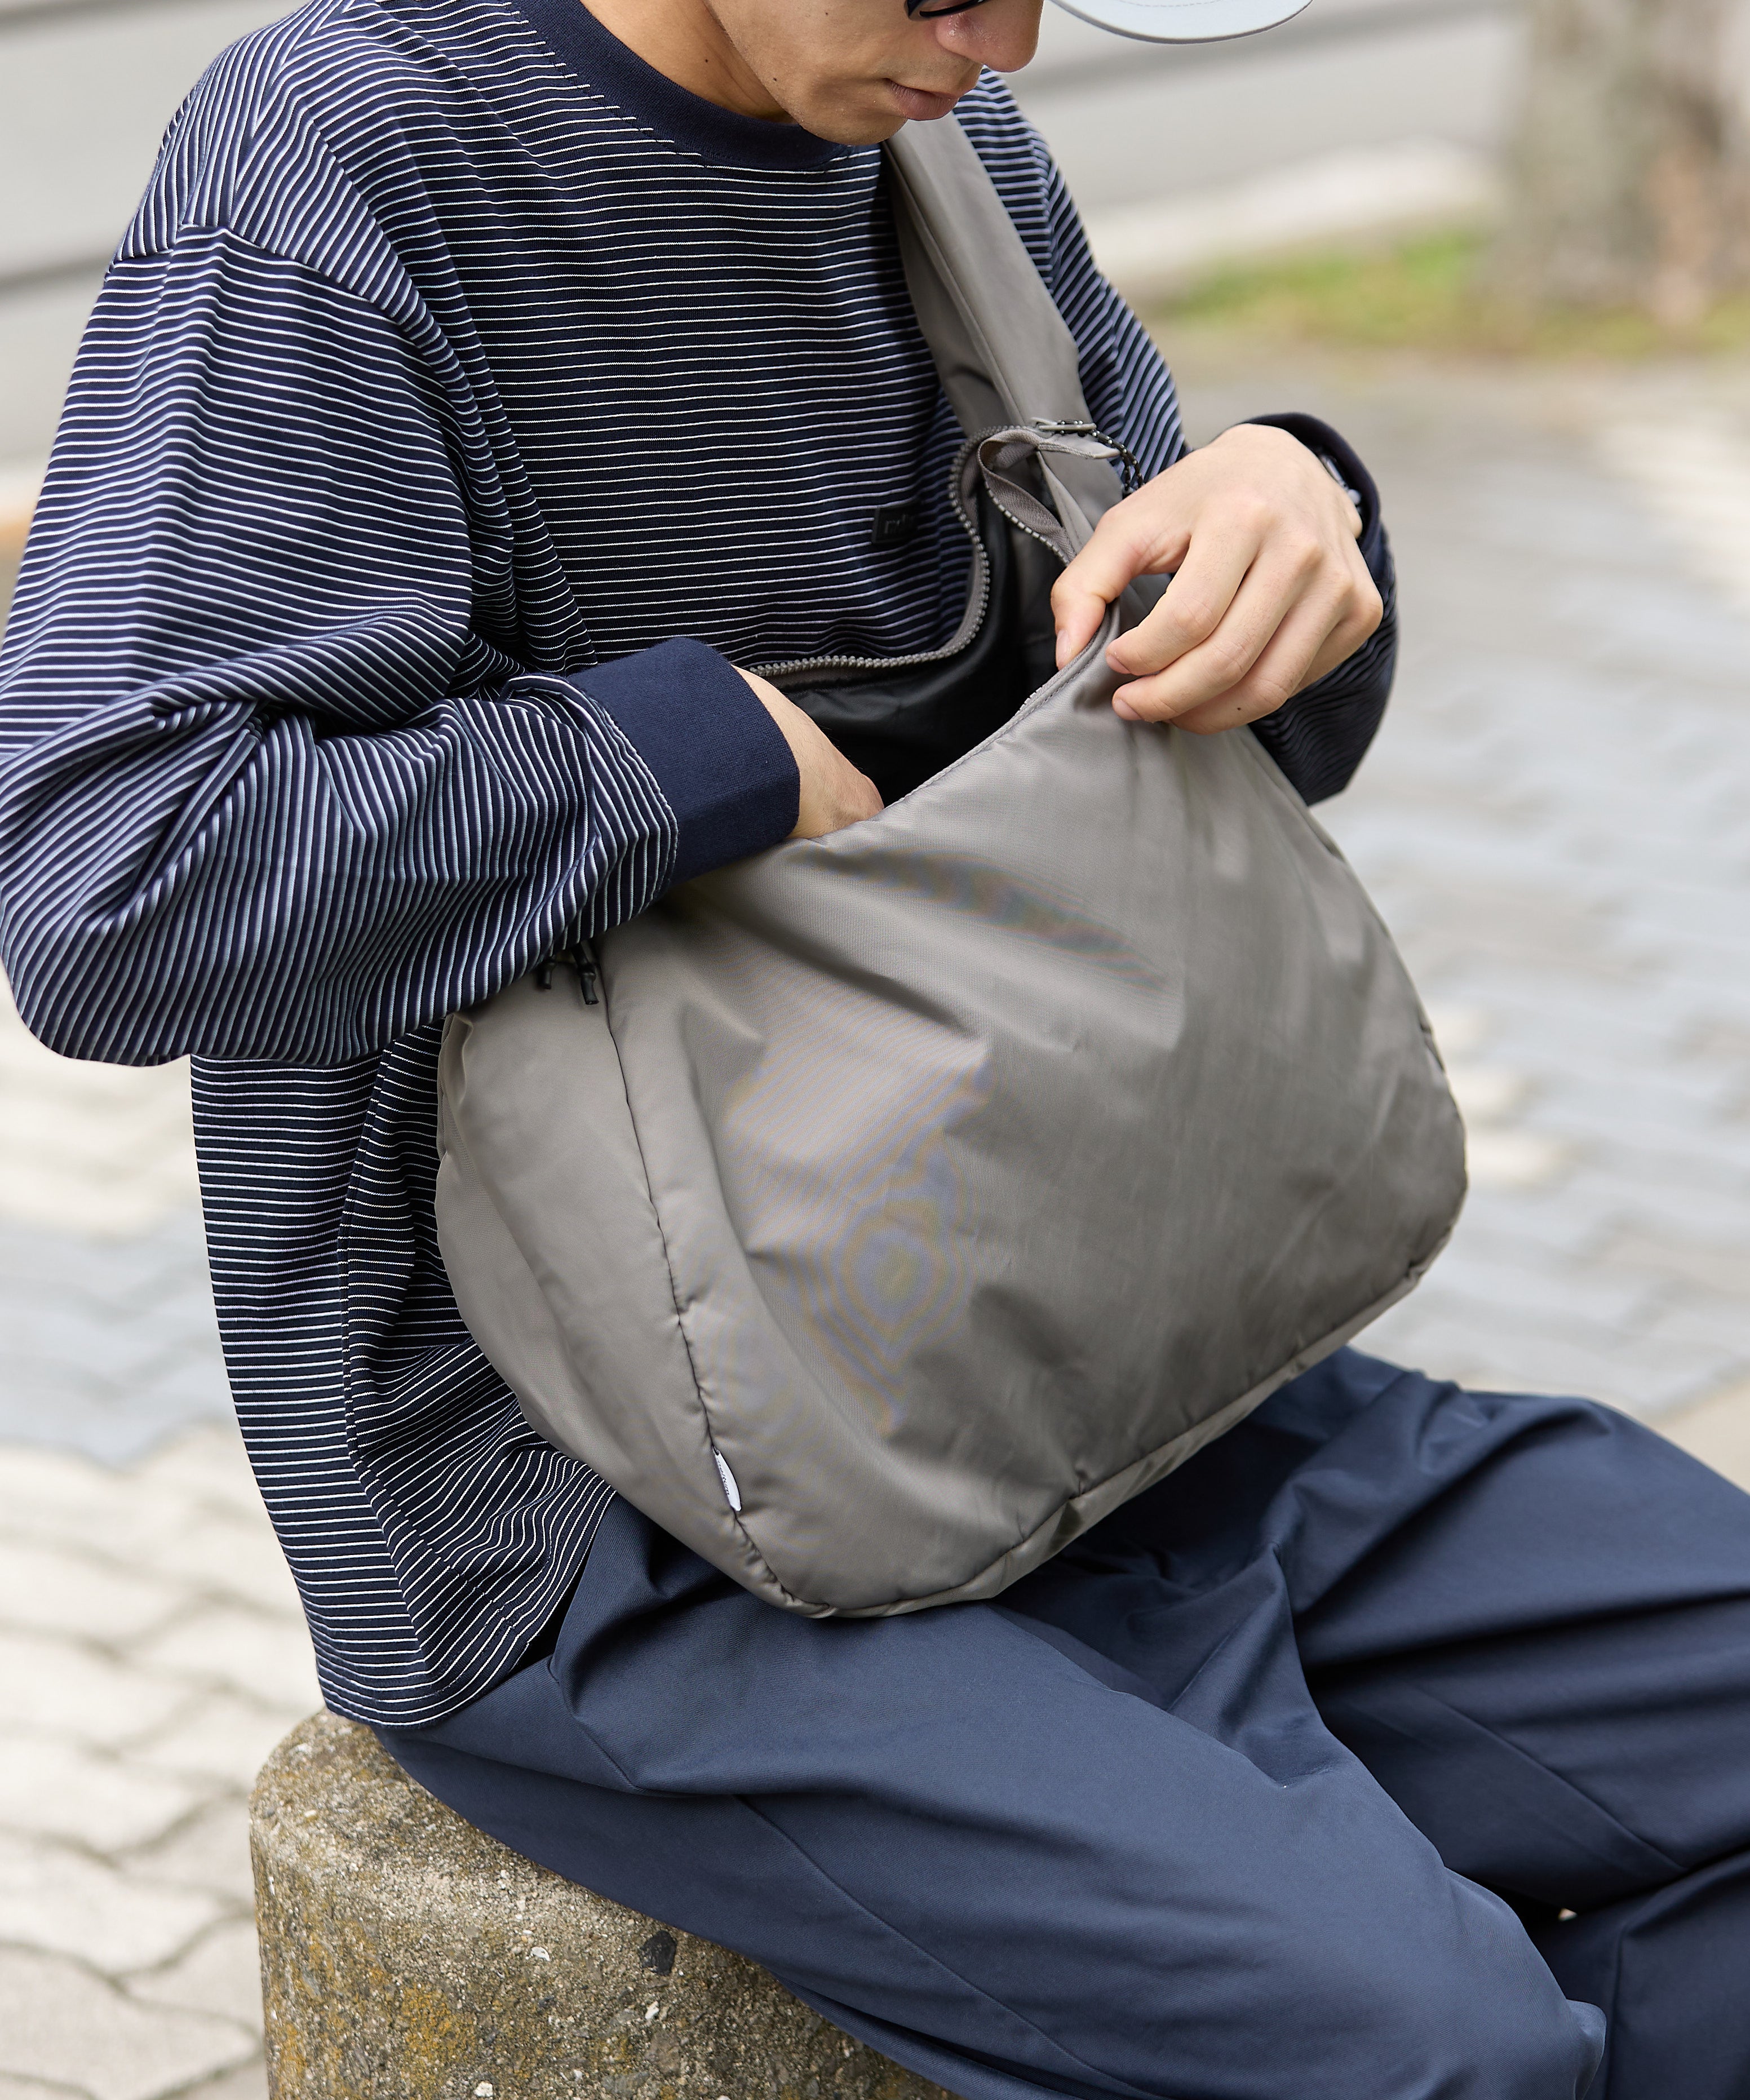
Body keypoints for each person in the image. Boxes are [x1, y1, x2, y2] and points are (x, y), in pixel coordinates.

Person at [0, 0, 1744, 2092]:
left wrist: (1293, 524)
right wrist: (690, 749)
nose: (997, 42)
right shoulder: (348, 155)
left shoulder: (947, 148)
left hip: (1110, 1339)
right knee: (1436, 2051)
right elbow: (108, 886)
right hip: (608, 1506)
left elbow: (1169, 750)